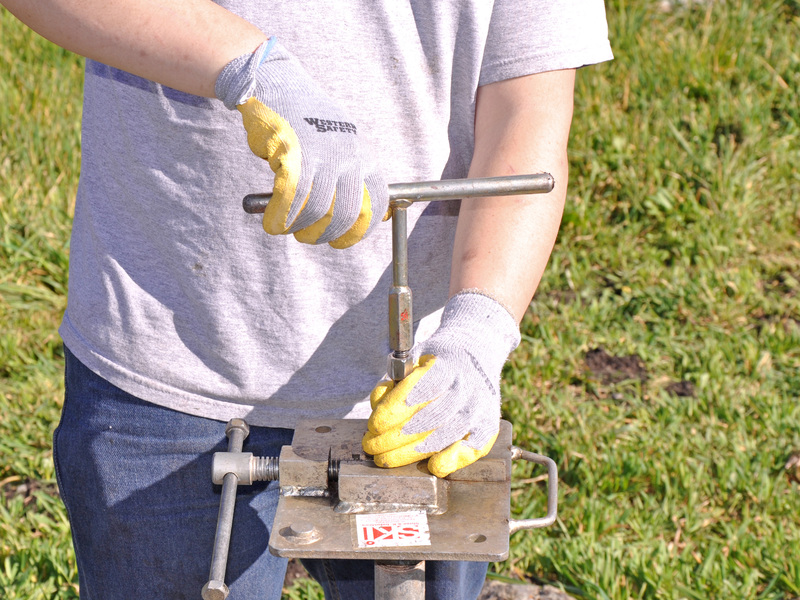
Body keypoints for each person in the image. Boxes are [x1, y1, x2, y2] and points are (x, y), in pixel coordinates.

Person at [1, 1, 612, 598]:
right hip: (173, 369)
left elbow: (525, 120)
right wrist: (250, 64)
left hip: (417, 401)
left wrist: (478, 333)